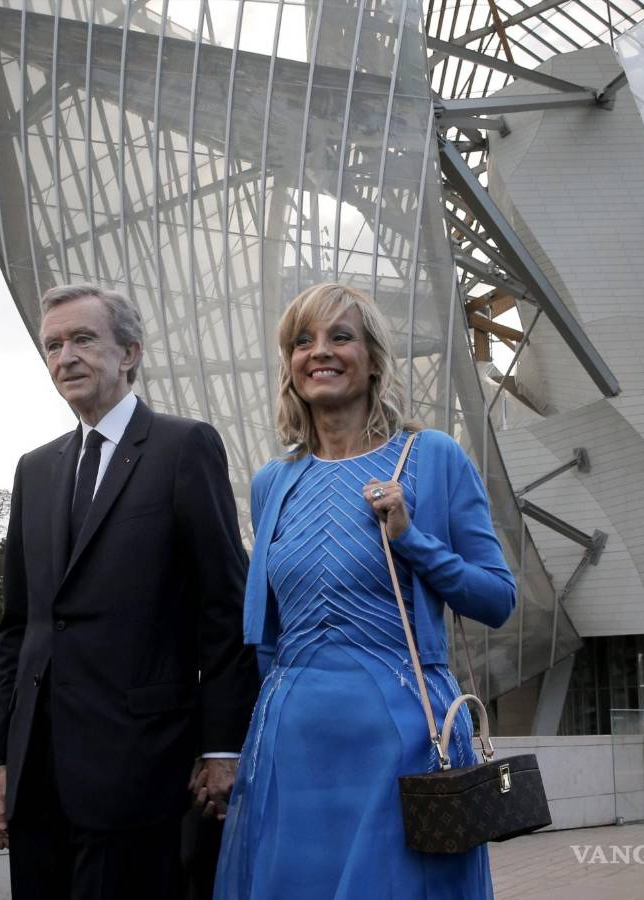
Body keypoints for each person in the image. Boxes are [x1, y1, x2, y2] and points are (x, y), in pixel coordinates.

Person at [214, 283, 517, 899]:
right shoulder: (273, 481)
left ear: (373, 358)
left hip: (403, 738)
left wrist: (412, 539)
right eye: (303, 341)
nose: (319, 352)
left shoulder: (431, 456)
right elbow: (266, 633)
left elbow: (496, 598)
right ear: (290, 366)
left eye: (339, 337)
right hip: (292, 741)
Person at [0, 284, 260, 900]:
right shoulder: (35, 469)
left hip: (140, 767)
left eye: (82, 339)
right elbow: (19, 626)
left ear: (130, 352)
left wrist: (222, 748)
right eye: (53, 345)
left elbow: (225, 608)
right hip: (37, 771)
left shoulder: (184, 447)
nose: (64, 357)